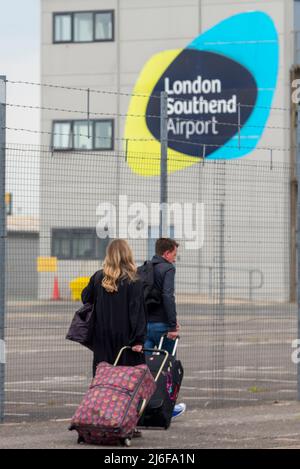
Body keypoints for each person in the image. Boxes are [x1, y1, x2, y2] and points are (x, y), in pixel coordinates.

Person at [81, 239, 146, 378]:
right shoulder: (134, 280)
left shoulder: (98, 277)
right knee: (126, 382)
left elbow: (85, 298)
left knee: (103, 380)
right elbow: (137, 312)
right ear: (128, 254)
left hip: (102, 338)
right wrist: (138, 340)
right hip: (126, 340)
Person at [144, 237, 186, 419]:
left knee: (146, 367)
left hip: (146, 325)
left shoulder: (145, 268)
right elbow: (168, 296)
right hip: (162, 325)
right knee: (168, 366)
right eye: (174, 254)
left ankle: (143, 404)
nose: (175, 258)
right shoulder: (168, 268)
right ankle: (168, 406)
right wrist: (172, 325)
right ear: (166, 253)